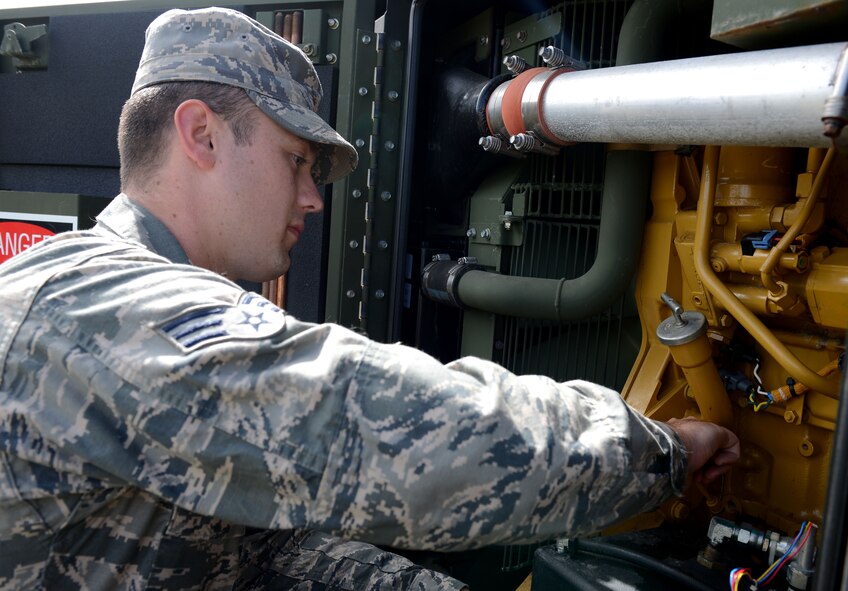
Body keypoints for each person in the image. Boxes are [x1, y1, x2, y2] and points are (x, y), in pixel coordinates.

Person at [0, 6, 740, 590]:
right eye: (296, 162)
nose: (311, 198)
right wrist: (660, 450)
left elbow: (236, 548)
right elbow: (390, 427)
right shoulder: (113, 310)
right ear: (201, 134)